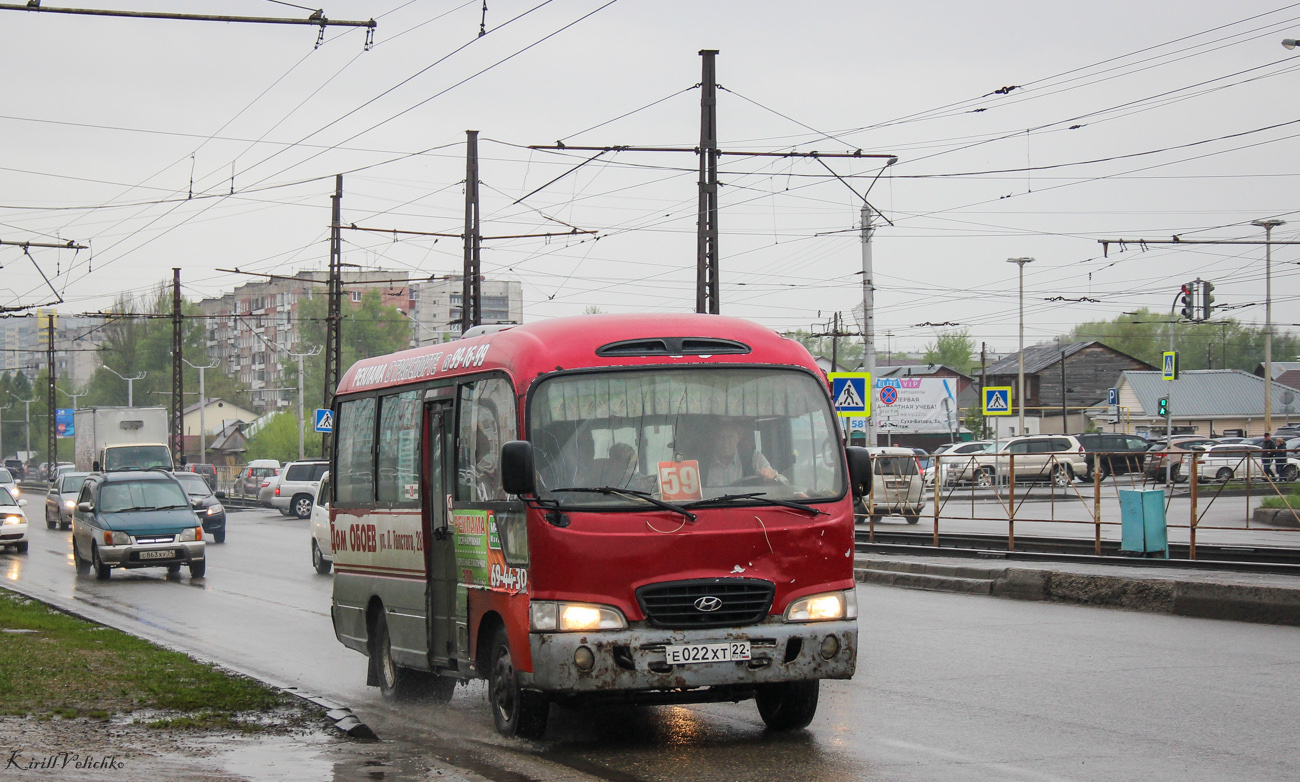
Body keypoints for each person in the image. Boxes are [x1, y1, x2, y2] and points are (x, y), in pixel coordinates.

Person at [704, 420, 785, 486]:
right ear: (715, 439)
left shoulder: (754, 458)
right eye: (721, 437)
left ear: (738, 438)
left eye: (730, 436)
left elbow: (783, 482)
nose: (725, 442)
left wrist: (772, 475)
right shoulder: (700, 463)